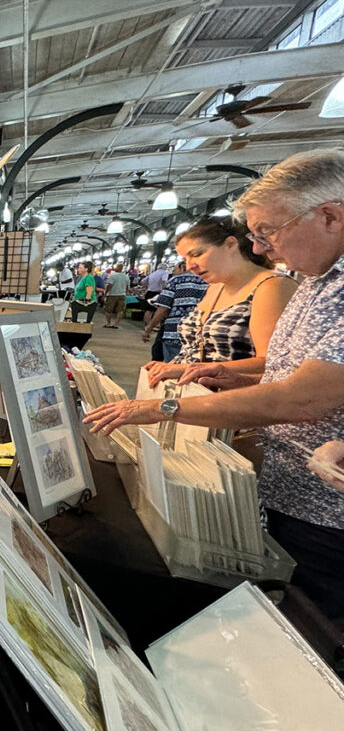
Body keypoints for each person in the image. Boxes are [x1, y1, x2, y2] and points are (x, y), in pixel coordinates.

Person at [84, 148, 344, 628]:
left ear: (329, 215)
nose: (262, 248)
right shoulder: (316, 280)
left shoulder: (299, 284)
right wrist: (229, 374)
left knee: (316, 630)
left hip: (327, 512)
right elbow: (284, 372)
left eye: (267, 233)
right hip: (289, 488)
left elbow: (302, 397)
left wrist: (164, 408)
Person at [143, 217, 298, 387]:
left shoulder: (270, 286)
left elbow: (272, 362)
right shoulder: (215, 287)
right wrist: (169, 366)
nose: (189, 266)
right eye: (185, 259)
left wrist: (187, 368)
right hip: (194, 397)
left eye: (196, 254)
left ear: (231, 244)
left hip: (232, 401)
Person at [140, 261, 207, 362]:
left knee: (172, 369)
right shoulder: (210, 283)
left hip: (175, 334)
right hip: (200, 336)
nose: (173, 273)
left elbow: (163, 309)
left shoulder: (176, 280)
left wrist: (149, 328)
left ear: (184, 268)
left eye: (175, 270)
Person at [102, 263, 130, 328]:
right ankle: (116, 324)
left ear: (117, 268)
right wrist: (126, 293)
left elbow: (109, 285)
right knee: (120, 310)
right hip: (122, 295)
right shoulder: (126, 276)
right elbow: (127, 287)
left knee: (108, 309)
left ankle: (108, 323)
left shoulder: (113, 276)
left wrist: (105, 294)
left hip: (112, 294)